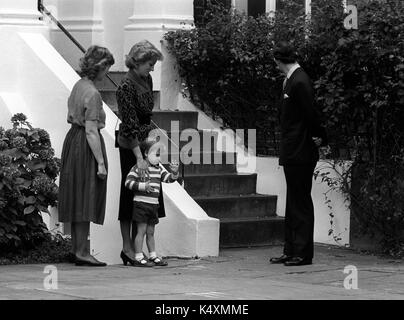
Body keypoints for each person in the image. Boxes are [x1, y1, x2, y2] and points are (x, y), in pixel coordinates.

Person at [270, 41, 327, 267]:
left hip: (301, 150)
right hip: (293, 149)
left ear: (278, 61)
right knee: (293, 200)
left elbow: (310, 114)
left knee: (300, 200)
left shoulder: (300, 80)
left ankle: (302, 253)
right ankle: (291, 249)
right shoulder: (292, 79)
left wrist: (320, 136)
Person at [58, 45, 115, 266]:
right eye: (106, 68)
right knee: (85, 196)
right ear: (99, 68)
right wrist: (101, 162)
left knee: (76, 196)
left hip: (73, 141)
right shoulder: (93, 93)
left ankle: (78, 249)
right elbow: (91, 131)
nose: (107, 73)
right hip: (84, 144)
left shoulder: (78, 85)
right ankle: (82, 251)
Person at [115, 40, 164, 265]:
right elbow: (129, 124)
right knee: (131, 195)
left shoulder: (147, 78)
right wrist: (138, 156)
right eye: (150, 64)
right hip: (131, 146)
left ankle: (143, 250)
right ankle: (128, 248)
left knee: (148, 197)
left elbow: (146, 115)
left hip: (147, 142)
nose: (152, 68)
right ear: (137, 62)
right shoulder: (125, 86)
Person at [124, 140, 179, 267]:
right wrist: (143, 186)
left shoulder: (158, 169)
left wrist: (174, 172)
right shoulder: (139, 167)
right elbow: (128, 182)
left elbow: (169, 179)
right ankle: (138, 256)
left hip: (153, 205)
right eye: (156, 154)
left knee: (151, 232)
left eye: (160, 155)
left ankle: (153, 255)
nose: (158, 158)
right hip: (141, 204)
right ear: (146, 153)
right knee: (141, 231)